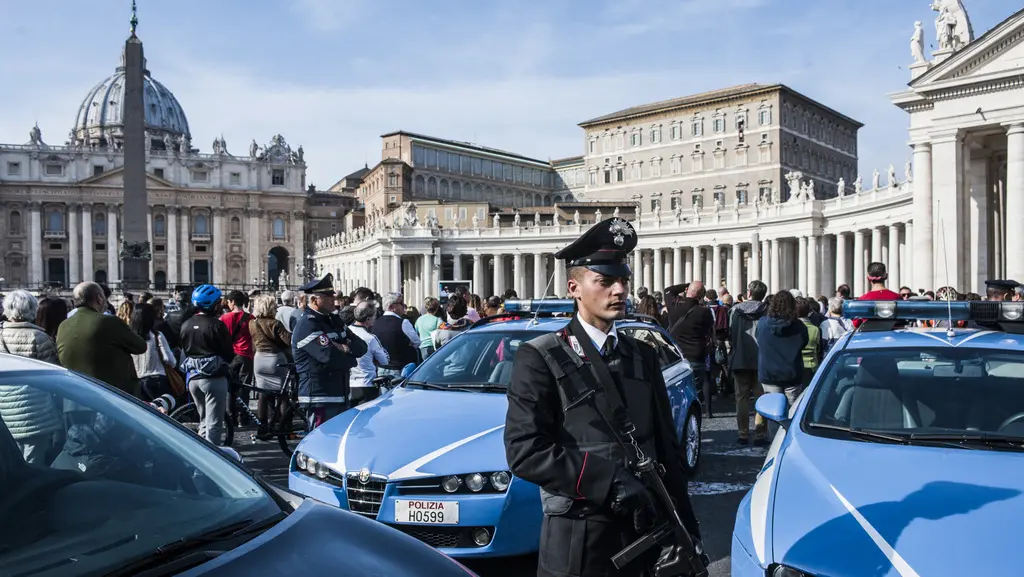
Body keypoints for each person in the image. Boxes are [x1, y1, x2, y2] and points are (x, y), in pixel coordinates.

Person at [504, 217, 703, 577]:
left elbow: (667, 449)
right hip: (580, 536)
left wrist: (688, 526)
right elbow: (525, 450)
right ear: (574, 288)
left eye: (623, 280)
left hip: (646, 532)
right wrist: (608, 480)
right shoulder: (541, 357)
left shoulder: (641, 355)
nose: (619, 290)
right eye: (605, 281)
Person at [292, 273, 367, 429]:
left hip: (340, 393)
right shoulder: (308, 324)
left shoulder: (334, 320)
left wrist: (345, 348)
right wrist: (350, 358)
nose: (334, 301)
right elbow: (329, 356)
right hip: (320, 395)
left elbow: (361, 345)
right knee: (322, 443)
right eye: (329, 299)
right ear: (314, 300)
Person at [0, 290, 63, 465]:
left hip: (4, 411)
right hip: (35, 412)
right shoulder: (39, 337)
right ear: (33, 310)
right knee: (32, 463)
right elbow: (54, 378)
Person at [57, 282, 148, 398]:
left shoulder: (63, 325)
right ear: (99, 299)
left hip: (74, 398)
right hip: (108, 399)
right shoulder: (109, 322)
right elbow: (140, 346)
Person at [180, 285, 235, 445]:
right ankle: (211, 462)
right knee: (214, 424)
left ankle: (200, 455)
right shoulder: (216, 325)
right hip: (213, 379)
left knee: (204, 421)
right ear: (213, 305)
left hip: (193, 378)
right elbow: (228, 353)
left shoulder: (186, 324)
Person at [756, 290, 809, 435]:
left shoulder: (762, 324)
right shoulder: (799, 326)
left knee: (774, 413)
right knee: (792, 412)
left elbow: (758, 340)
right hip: (792, 372)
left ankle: (775, 442)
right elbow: (804, 342)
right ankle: (791, 440)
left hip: (769, 374)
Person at [727, 280, 769, 446]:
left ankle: (743, 433)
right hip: (761, 359)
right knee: (761, 398)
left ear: (748, 293)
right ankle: (760, 433)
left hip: (740, 358)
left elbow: (730, 333)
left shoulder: (735, 310)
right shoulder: (767, 310)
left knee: (741, 398)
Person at [249, 294, 294, 440]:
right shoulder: (275, 324)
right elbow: (288, 341)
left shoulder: (252, 323)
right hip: (276, 359)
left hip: (259, 359)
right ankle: (284, 426)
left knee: (263, 394)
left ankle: (263, 427)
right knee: (283, 393)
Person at [667, 281, 715, 418]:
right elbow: (708, 331)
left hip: (677, 356)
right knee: (698, 388)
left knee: (678, 391)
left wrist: (686, 285)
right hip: (697, 355)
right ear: (701, 295)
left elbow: (669, 290)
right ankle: (701, 414)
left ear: (687, 290)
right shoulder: (704, 312)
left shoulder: (674, 306)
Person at [129, 302, 177, 404]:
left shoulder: (129, 337)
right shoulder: (156, 335)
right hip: (157, 380)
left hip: (137, 382)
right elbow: (169, 360)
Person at [348, 301, 390, 406]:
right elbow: (384, 360)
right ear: (368, 319)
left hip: (348, 384)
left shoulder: (346, 332)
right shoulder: (370, 338)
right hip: (367, 384)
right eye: (374, 316)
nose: (375, 319)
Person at [372, 292, 420, 378]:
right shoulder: (403, 323)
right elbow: (416, 342)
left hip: (380, 368)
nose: (403, 306)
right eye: (401, 303)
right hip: (399, 369)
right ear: (392, 307)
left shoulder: (375, 323)